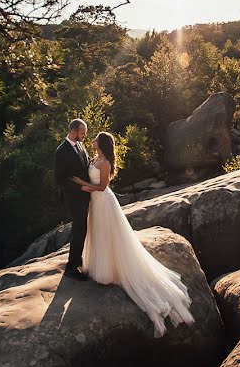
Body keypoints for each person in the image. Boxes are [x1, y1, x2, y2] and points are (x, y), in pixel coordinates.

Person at [71, 131, 195, 337]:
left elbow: (102, 187)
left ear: (101, 143)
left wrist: (83, 186)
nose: (91, 141)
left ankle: (109, 270)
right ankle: (100, 264)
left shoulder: (105, 163)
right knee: (98, 233)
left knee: (108, 235)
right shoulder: (95, 158)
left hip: (103, 202)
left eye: (95, 139)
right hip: (96, 203)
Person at [54, 119, 91, 280]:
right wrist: (81, 187)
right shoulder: (61, 151)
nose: (85, 135)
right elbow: (60, 180)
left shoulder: (80, 145)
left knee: (84, 229)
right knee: (79, 230)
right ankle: (71, 268)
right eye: (83, 132)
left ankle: (78, 259)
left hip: (86, 195)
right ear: (74, 131)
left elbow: (86, 166)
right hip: (74, 197)